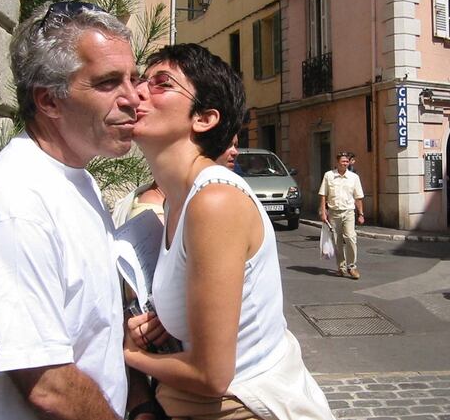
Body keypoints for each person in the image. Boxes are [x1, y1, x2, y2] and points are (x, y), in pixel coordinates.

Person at [0, 1, 155, 420]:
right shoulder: (12, 202)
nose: (134, 98)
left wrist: (139, 403)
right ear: (49, 101)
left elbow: (95, 337)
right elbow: (48, 385)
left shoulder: (78, 180)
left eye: (134, 77)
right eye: (108, 82)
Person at [124, 43, 335, 420]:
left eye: (161, 83)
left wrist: (127, 353)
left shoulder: (214, 201)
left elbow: (211, 376)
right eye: (142, 79)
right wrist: (163, 324)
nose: (137, 90)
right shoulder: (177, 200)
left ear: (204, 118)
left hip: (243, 406)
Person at [318, 151, 365, 279]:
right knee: (337, 241)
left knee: (351, 238)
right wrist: (323, 212)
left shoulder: (354, 177)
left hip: (349, 212)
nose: (345, 163)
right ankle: (341, 267)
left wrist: (361, 214)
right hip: (334, 213)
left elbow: (358, 197)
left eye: (347, 161)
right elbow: (323, 195)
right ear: (337, 162)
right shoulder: (329, 175)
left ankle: (352, 266)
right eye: (343, 161)